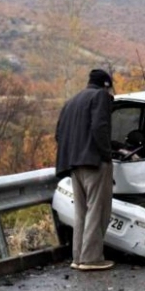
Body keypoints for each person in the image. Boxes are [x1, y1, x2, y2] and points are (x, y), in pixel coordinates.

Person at [55, 69, 116, 271]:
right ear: (106, 85)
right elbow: (100, 127)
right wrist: (107, 154)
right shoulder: (100, 96)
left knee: (81, 212)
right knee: (97, 211)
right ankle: (92, 259)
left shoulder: (71, 102)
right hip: (94, 163)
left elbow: (59, 134)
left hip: (74, 164)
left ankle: (78, 257)